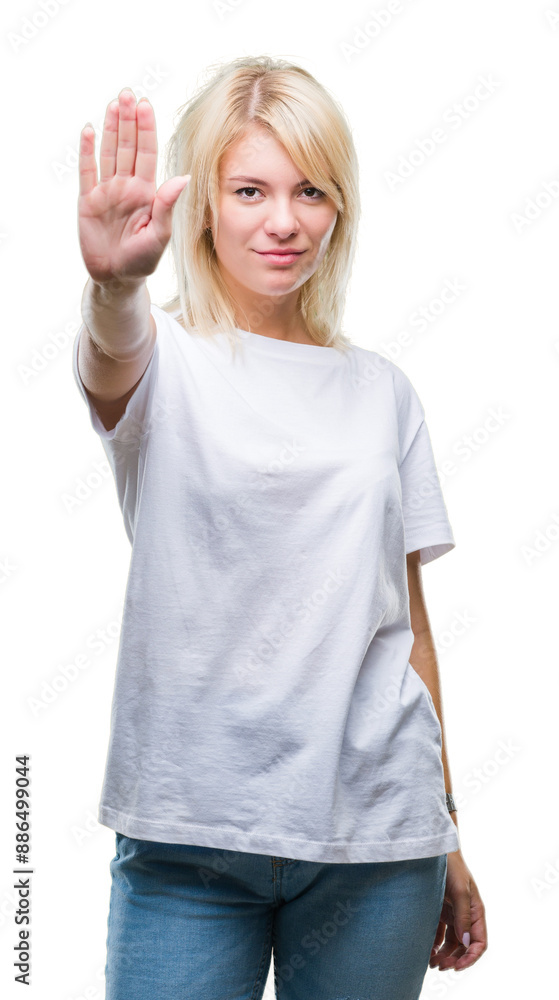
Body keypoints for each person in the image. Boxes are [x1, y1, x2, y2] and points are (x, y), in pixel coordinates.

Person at [74, 55, 487, 1000]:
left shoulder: (382, 392)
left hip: (379, 844)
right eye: (249, 189)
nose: (283, 220)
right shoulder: (161, 357)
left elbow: (409, 632)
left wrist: (448, 831)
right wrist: (110, 286)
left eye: (310, 190)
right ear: (203, 204)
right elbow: (109, 350)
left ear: (338, 207)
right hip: (188, 839)